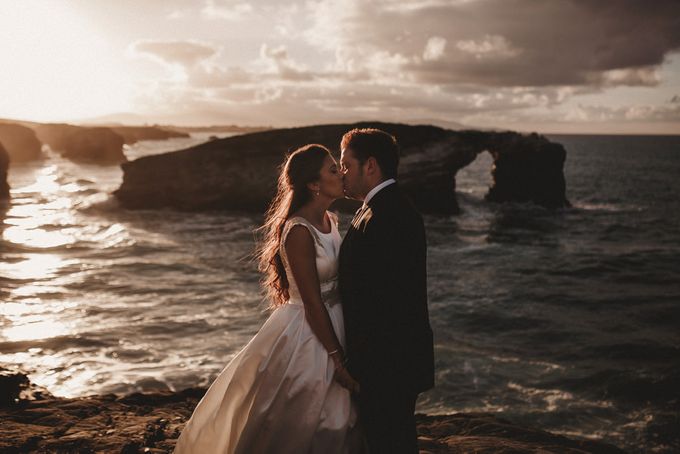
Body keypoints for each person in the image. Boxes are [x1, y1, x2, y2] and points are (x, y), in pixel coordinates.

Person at [174, 144, 363, 454]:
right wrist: (337, 360)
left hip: (337, 319)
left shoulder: (332, 220)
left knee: (342, 419)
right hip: (308, 331)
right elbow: (313, 302)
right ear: (313, 185)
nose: (341, 172)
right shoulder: (298, 231)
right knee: (304, 418)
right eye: (332, 169)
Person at [338, 128, 435, 453]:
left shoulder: (390, 214)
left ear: (370, 166)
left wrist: (361, 365)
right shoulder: (377, 207)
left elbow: (387, 300)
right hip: (388, 361)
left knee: (391, 442)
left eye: (347, 165)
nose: (342, 174)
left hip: (388, 364)